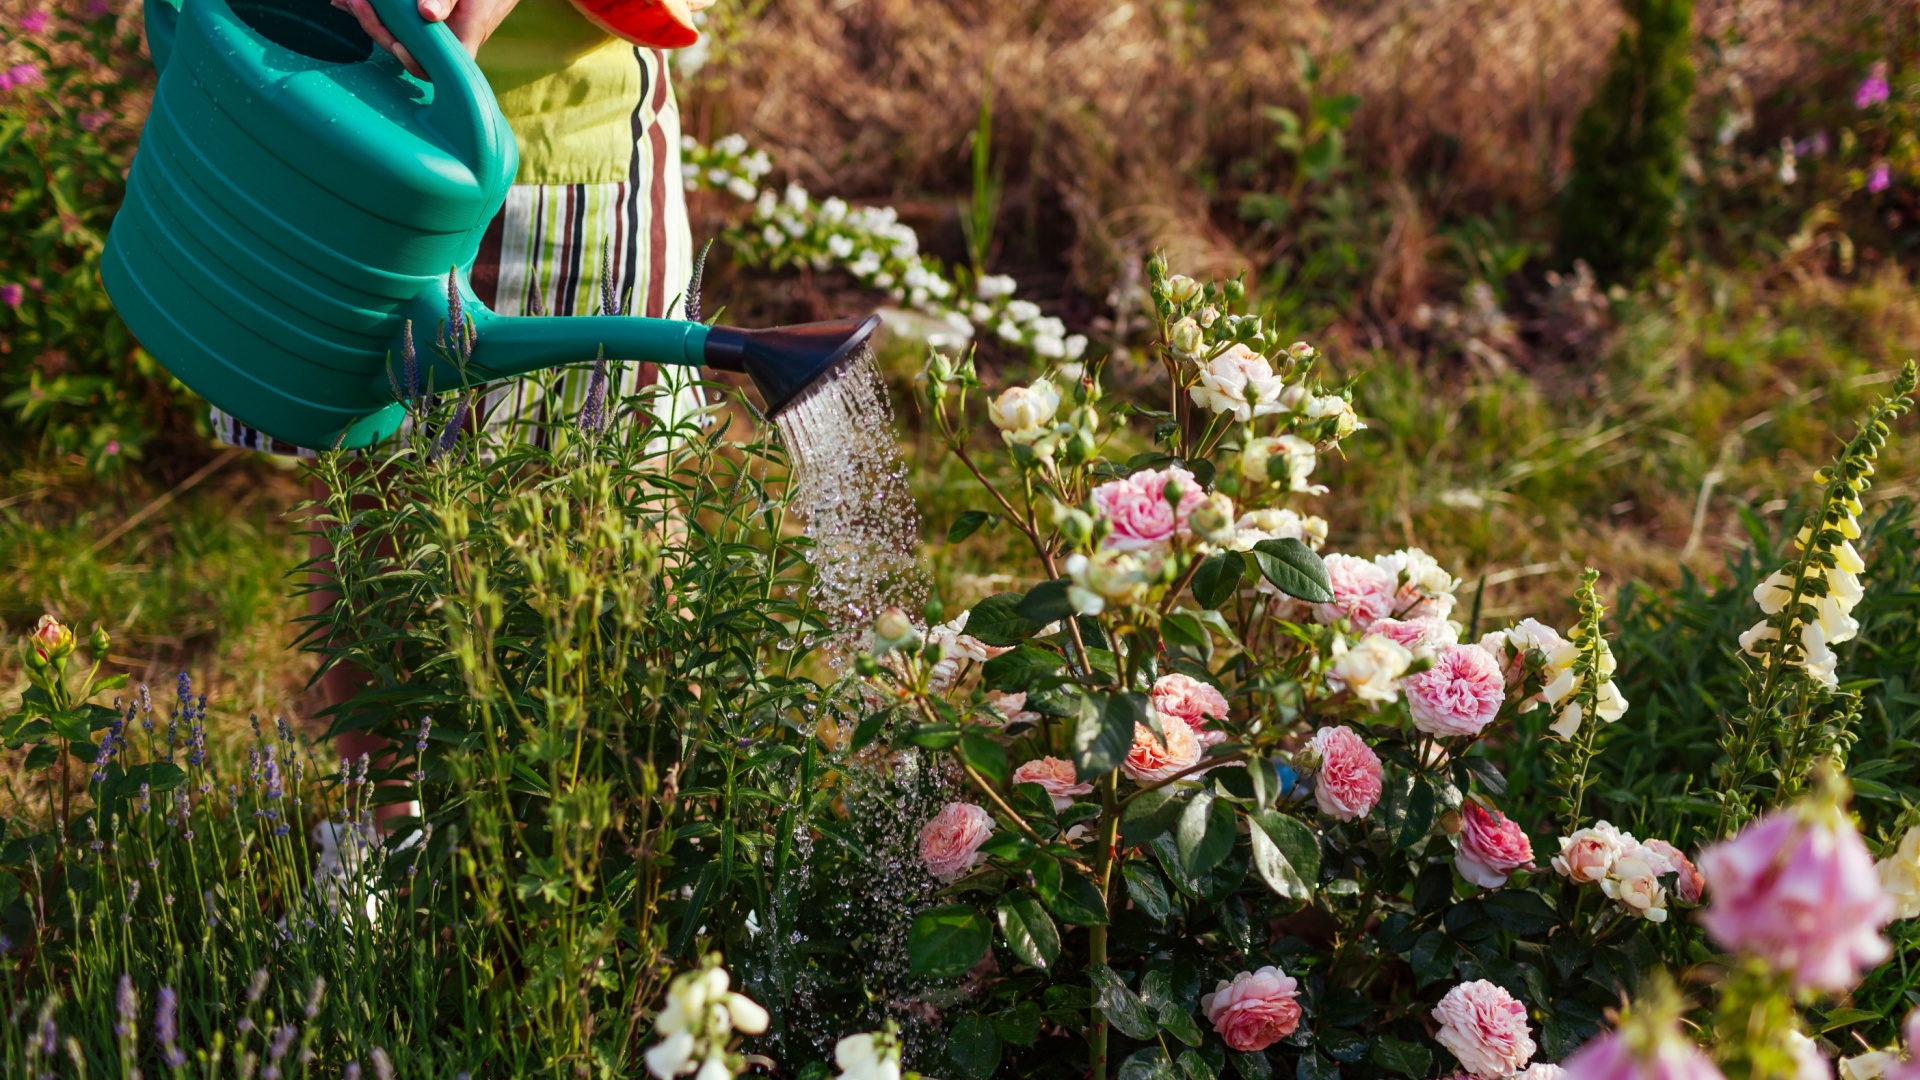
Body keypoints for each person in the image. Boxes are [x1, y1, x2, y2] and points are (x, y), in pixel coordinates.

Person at [207, 0, 709, 789]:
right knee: (369, 495)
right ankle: (382, 834)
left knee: (623, 499)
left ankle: (645, 843)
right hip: (334, 129)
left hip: (571, 152)